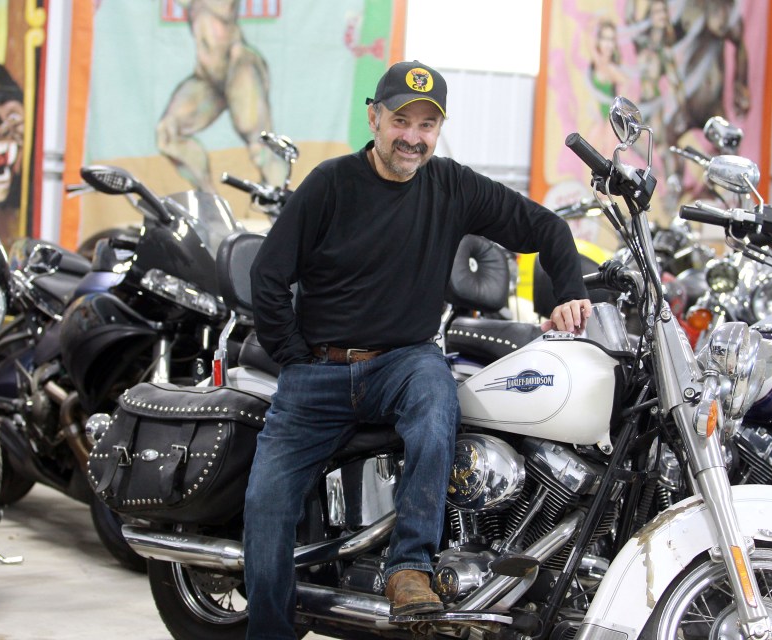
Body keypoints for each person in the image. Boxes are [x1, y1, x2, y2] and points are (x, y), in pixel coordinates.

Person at [245, 60, 591, 638]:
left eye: (427, 124)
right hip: (319, 371)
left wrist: (573, 294)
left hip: (403, 362)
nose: (413, 136)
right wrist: (294, 356)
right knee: (266, 506)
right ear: (375, 118)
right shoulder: (329, 184)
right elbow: (269, 275)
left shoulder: (451, 185)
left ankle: (408, 568)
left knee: (438, 406)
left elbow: (546, 228)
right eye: (402, 120)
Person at [156, 0, 284, 192]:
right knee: (167, 133)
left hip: (238, 66)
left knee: (261, 143)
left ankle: (282, 207)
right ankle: (208, 199)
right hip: (207, 76)